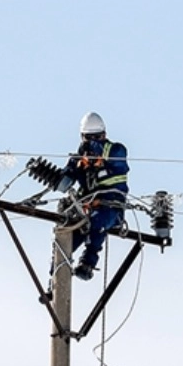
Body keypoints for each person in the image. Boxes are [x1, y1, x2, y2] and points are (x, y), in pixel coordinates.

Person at [56, 112, 129, 281]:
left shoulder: (115, 151)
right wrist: (60, 175)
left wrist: (94, 146)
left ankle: (87, 263)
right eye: (88, 138)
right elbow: (67, 177)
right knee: (65, 239)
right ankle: (55, 280)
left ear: (104, 135)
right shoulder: (80, 159)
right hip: (85, 210)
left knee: (97, 222)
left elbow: (118, 156)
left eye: (96, 137)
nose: (92, 141)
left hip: (110, 208)